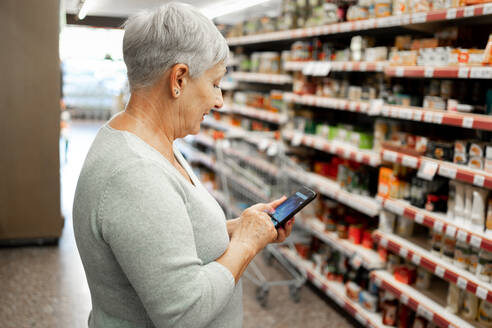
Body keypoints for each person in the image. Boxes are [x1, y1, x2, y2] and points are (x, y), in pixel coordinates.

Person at [72, 3, 294, 328]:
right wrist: (246, 244)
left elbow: (163, 234)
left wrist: (242, 227)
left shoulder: (151, 145)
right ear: (179, 79)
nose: (220, 101)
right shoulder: (135, 173)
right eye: (215, 83)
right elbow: (183, 313)